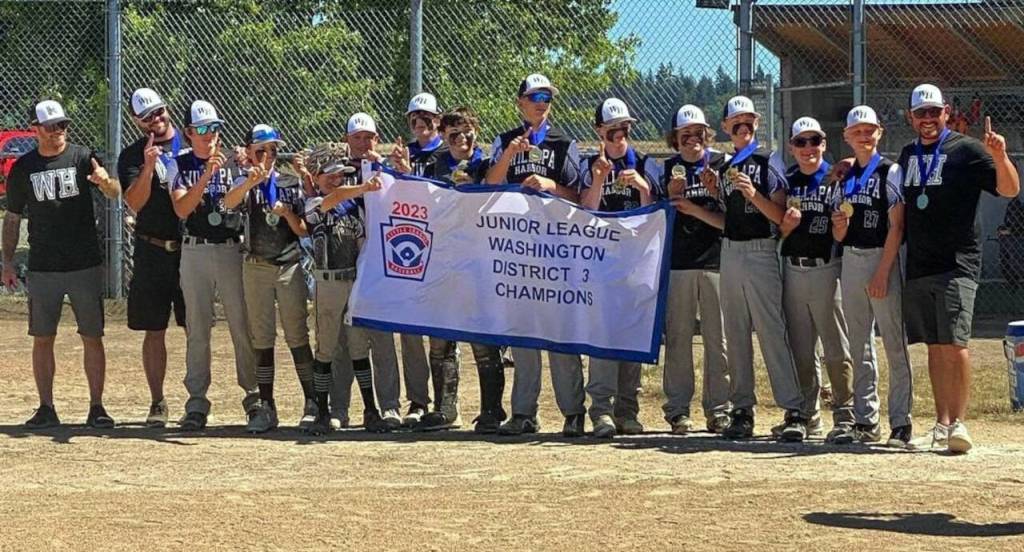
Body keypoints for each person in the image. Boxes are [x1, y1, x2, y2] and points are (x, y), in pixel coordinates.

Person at [898, 84, 1020, 453]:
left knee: (956, 344)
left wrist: (1000, 156)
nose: (928, 119)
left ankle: (960, 424)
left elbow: (1010, 189)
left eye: (935, 112)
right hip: (920, 264)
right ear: (911, 118)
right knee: (934, 347)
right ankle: (941, 424)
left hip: (958, 263)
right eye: (921, 113)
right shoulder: (907, 154)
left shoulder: (967, 150)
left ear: (947, 112)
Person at [2, 99, 120, 428]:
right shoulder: (24, 168)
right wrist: (8, 262)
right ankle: (46, 407)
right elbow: (12, 218)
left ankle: (97, 407)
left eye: (63, 126)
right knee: (43, 337)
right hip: (43, 265)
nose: (58, 133)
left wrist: (104, 181)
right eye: (52, 127)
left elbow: (114, 192)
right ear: (35, 129)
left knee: (92, 335)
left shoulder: (83, 157)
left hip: (83, 262)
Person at [485, 73, 587, 437]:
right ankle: (524, 412)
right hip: (517, 248)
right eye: (535, 96)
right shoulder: (505, 141)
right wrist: (511, 154)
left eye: (547, 96)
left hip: (556, 249)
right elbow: (487, 188)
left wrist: (551, 185)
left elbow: (580, 196)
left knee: (560, 332)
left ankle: (574, 412)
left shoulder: (564, 144)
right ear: (520, 103)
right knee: (523, 332)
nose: (542, 101)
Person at [702, 95, 807, 441]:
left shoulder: (766, 160)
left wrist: (753, 196)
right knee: (735, 332)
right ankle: (742, 409)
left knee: (770, 330)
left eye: (749, 121)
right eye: (736, 123)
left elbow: (779, 216)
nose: (743, 127)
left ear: (757, 125)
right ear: (726, 127)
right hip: (730, 249)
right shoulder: (722, 165)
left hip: (761, 249)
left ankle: (794, 409)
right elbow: (724, 217)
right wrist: (713, 193)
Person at [168, 100, 258, 430]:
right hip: (195, 251)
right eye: (203, 129)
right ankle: (196, 402)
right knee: (197, 327)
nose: (210, 135)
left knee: (241, 325)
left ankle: (253, 396)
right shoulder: (178, 164)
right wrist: (206, 175)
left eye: (215, 128)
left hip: (230, 249)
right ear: (189, 133)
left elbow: (241, 200)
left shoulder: (234, 164)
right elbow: (181, 209)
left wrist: (244, 171)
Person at [417, 106, 507, 432]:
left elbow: (500, 198)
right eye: (453, 134)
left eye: (467, 132)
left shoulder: (487, 164)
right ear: (443, 136)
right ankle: (444, 409)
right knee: (440, 340)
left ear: (475, 133)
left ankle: (492, 411)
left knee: (483, 341)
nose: (461, 140)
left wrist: (475, 188)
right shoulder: (434, 165)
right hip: (444, 260)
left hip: (480, 261)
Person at [830, 105, 913, 447]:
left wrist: (882, 272)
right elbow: (838, 236)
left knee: (894, 342)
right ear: (847, 136)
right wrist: (840, 227)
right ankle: (866, 419)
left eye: (869, 130)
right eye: (857, 131)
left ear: (879, 132)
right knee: (859, 342)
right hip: (851, 257)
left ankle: (901, 422)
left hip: (883, 257)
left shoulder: (889, 171)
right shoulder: (844, 176)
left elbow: (897, 226)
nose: (863, 136)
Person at [223, 124, 314, 433]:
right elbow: (227, 204)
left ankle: (313, 403)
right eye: (260, 150)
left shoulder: (290, 182)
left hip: (288, 265)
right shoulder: (243, 181)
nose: (267, 156)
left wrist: (288, 213)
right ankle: (267, 406)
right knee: (261, 339)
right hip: (256, 265)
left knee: (297, 335)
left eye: (272, 150)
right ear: (248, 151)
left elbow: (303, 229)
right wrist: (250, 181)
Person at [650, 104, 731, 435]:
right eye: (685, 135)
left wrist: (703, 201)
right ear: (675, 139)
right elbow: (651, 218)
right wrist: (669, 199)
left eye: (699, 133)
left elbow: (731, 217)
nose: (692, 140)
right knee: (680, 338)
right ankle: (678, 409)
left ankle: (720, 409)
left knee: (718, 339)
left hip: (716, 260)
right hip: (679, 262)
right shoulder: (666, 169)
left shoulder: (720, 165)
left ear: (707, 135)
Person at [777, 117, 854, 442]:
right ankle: (804, 414)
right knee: (800, 348)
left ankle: (845, 414)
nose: (808, 148)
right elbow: (775, 230)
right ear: (792, 147)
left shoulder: (836, 176)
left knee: (836, 346)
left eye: (814, 141)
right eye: (801, 142)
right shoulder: (788, 179)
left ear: (823, 143)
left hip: (827, 267)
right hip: (794, 268)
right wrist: (786, 227)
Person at [577, 98, 650, 438]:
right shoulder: (590, 164)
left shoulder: (645, 164)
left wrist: (643, 188)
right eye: (612, 130)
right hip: (601, 263)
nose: (620, 136)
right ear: (600, 132)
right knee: (604, 334)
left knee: (632, 332)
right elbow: (584, 211)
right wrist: (597, 180)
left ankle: (628, 409)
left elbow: (656, 216)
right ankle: (601, 411)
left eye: (625, 129)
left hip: (635, 261)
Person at [301, 141, 383, 434]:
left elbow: (362, 244)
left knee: (359, 346)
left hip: (353, 280)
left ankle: (370, 409)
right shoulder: (313, 203)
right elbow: (331, 199)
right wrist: (363, 188)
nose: (337, 180)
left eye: (340, 175)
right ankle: (322, 411)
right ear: (316, 176)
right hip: (328, 282)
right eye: (330, 174)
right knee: (325, 349)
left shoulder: (354, 208)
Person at [329, 112, 404, 431]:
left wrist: (397, 169)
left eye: (369, 137)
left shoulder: (385, 170)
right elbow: (324, 201)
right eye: (357, 137)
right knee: (342, 338)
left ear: (377, 138)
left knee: (382, 335)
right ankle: (339, 407)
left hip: (379, 262)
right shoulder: (337, 172)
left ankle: (389, 406)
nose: (363, 142)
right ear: (347, 140)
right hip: (345, 257)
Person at [116, 87, 186, 427]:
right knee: (154, 328)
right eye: (147, 118)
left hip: (191, 248)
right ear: (137, 122)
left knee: (196, 328)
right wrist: (147, 167)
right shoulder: (132, 155)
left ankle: (196, 400)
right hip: (153, 248)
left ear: (166, 109)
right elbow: (135, 202)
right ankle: (158, 401)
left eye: (159, 112)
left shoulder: (192, 142)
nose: (156, 120)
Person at [389, 92, 445, 427]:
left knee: (440, 335)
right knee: (410, 333)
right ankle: (418, 401)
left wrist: (411, 174)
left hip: (442, 251)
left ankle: (443, 402)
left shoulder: (446, 152)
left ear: (438, 119)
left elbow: (444, 197)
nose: (421, 124)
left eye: (427, 118)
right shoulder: (403, 155)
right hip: (409, 250)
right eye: (414, 119)